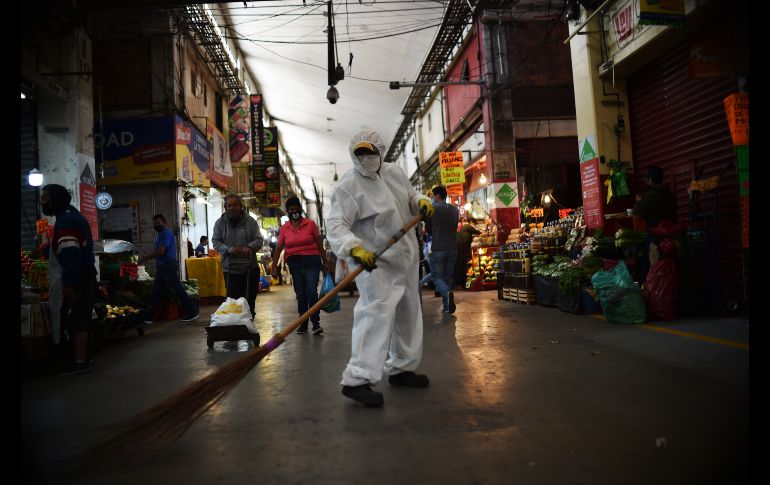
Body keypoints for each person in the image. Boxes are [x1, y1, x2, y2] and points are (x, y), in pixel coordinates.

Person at [326, 128, 436, 407]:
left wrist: (420, 201)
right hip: (374, 262)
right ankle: (357, 379)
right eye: (359, 153)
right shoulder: (348, 187)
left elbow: (410, 197)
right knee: (375, 314)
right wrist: (354, 248)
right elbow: (336, 224)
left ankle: (402, 367)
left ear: (380, 152)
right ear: (353, 155)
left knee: (408, 312)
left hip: (405, 257)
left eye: (369, 152)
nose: (365, 158)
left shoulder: (395, 173)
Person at [41, 184, 98, 375]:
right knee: (81, 317)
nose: (43, 201)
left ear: (55, 199)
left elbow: (70, 254)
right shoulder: (72, 215)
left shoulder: (66, 220)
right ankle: (84, 359)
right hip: (85, 276)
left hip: (79, 278)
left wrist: (68, 284)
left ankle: (80, 363)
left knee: (77, 319)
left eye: (45, 197)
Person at [270, 196, 328, 335]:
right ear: (288, 212)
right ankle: (303, 323)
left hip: (312, 261)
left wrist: (325, 261)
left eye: (296, 209)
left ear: (300, 210)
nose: (294, 211)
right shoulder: (285, 228)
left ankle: (315, 324)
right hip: (295, 264)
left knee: (311, 292)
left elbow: (319, 244)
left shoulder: (310, 224)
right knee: (301, 294)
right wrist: (274, 266)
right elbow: (279, 247)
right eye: (291, 209)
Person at [138, 214, 199, 324]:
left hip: (167, 265)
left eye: (158, 223)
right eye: (155, 224)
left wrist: (144, 258)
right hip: (163, 266)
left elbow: (161, 251)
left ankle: (191, 312)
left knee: (177, 289)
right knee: (156, 292)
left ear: (164, 223)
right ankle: (149, 317)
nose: (156, 225)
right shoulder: (160, 234)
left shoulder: (166, 233)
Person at [211, 194, 264, 317]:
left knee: (249, 302)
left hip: (250, 269)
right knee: (233, 303)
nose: (232, 208)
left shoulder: (250, 221)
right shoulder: (220, 223)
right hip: (230, 270)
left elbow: (258, 239)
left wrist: (249, 247)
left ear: (241, 206)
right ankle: (235, 328)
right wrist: (230, 249)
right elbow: (216, 242)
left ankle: (248, 327)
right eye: (229, 205)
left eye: (235, 205)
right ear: (225, 208)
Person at [633, 165, 677, 281]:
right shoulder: (670, 195)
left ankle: (651, 292)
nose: (646, 181)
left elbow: (639, 212)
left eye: (646, 179)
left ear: (650, 179)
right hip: (671, 236)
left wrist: (638, 201)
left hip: (655, 237)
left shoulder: (652, 195)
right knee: (668, 266)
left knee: (652, 267)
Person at [426, 186, 460, 313]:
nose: (432, 198)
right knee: (447, 277)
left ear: (437, 196)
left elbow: (429, 229)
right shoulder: (454, 209)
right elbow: (455, 226)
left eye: (433, 195)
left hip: (439, 248)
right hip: (452, 248)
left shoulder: (432, 208)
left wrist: (435, 231)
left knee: (436, 277)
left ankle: (447, 292)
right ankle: (446, 307)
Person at [455, 218, 481, 288]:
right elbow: (476, 231)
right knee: (466, 263)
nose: (474, 225)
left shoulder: (464, 227)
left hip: (462, 248)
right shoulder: (467, 226)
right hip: (464, 248)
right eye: (474, 224)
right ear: (471, 222)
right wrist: (482, 232)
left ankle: (462, 283)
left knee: (463, 264)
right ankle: (465, 283)